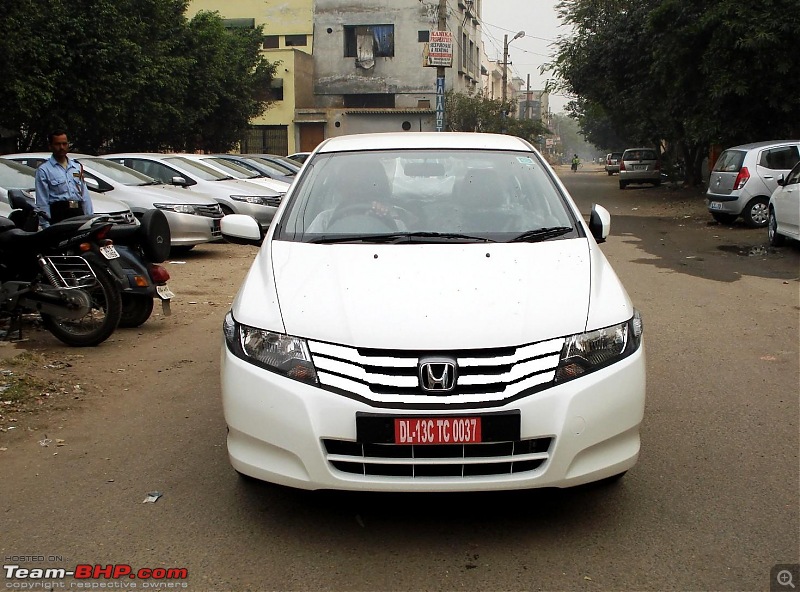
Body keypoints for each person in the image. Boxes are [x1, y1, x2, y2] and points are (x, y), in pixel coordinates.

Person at [34, 130, 94, 226]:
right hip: (59, 215)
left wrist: (90, 219)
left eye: (64, 144)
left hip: (77, 214)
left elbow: (84, 196)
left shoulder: (76, 167)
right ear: (50, 146)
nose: (61, 147)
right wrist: (46, 225)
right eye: (57, 144)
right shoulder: (44, 170)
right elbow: (42, 201)